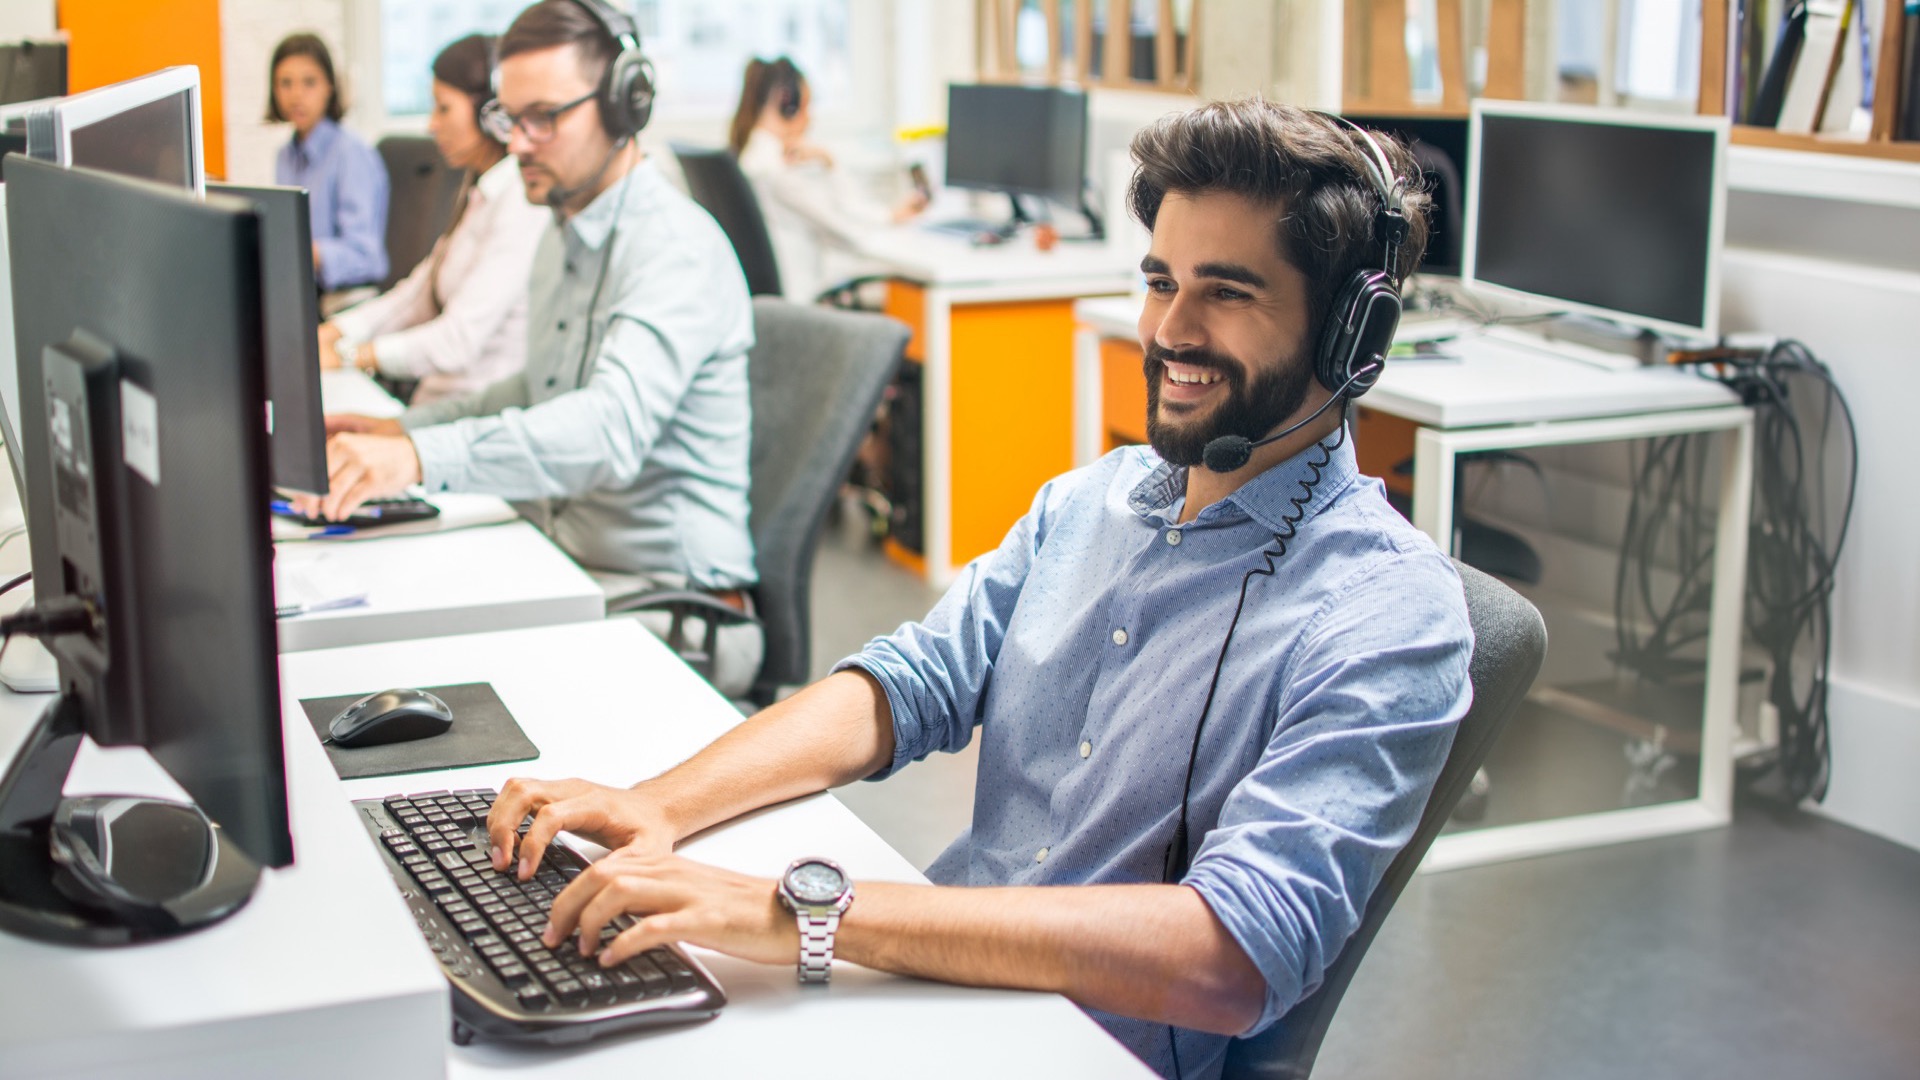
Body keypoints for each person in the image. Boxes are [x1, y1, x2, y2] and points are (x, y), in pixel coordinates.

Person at [479, 99, 1473, 1080]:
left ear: (1351, 335)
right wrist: (654, 806)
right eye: (1161, 280)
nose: (1168, 330)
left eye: (1227, 292)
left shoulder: (1388, 614)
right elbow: (908, 683)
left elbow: (1233, 958)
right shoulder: (1091, 502)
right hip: (923, 990)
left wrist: (805, 912)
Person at [297, 0, 761, 697]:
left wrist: (419, 458)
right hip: (573, 563)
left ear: (622, 105)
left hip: (675, 608)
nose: (517, 142)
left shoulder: (675, 253)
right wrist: (398, 430)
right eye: (507, 118)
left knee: (407, 671)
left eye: (543, 116)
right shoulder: (562, 233)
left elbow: (607, 430)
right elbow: (531, 391)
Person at [319, 34, 551, 406]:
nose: (431, 124)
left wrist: (354, 356)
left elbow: (457, 340)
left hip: (473, 416)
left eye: (443, 109)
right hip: (435, 401)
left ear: (492, 115)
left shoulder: (521, 204)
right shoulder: (479, 186)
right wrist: (335, 332)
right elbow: (419, 294)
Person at [726, 56, 925, 302]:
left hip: (784, 297)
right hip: (802, 298)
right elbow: (846, 231)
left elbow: (835, 217)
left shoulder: (751, 158)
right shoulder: (775, 171)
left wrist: (826, 162)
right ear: (787, 104)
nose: (811, 118)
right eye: (807, 106)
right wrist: (831, 162)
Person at [270, 32, 390, 302]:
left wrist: (307, 252)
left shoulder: (351, 154)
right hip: (301, 294)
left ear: (329, 87)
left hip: (342, 300)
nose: (296, 95)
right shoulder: (285, 156)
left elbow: (367, 257)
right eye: (285, 83)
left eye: (309, 82)